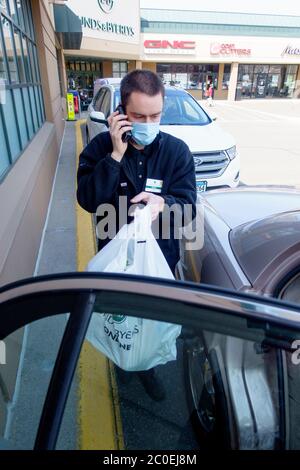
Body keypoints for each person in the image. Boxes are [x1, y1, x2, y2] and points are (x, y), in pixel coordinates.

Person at [77, 69, 197, 400]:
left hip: (158, 261)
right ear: (120, 113)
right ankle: (122, 364)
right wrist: (115, 156)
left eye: (155, 115)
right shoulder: (101, 147)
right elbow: (88, 199)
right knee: (119, 319)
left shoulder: (176, 152)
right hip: (116, 261)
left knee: (150, 320)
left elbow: (189, 209)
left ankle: (146, 368)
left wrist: (164, 203)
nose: (148, 122)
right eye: (139, 115)